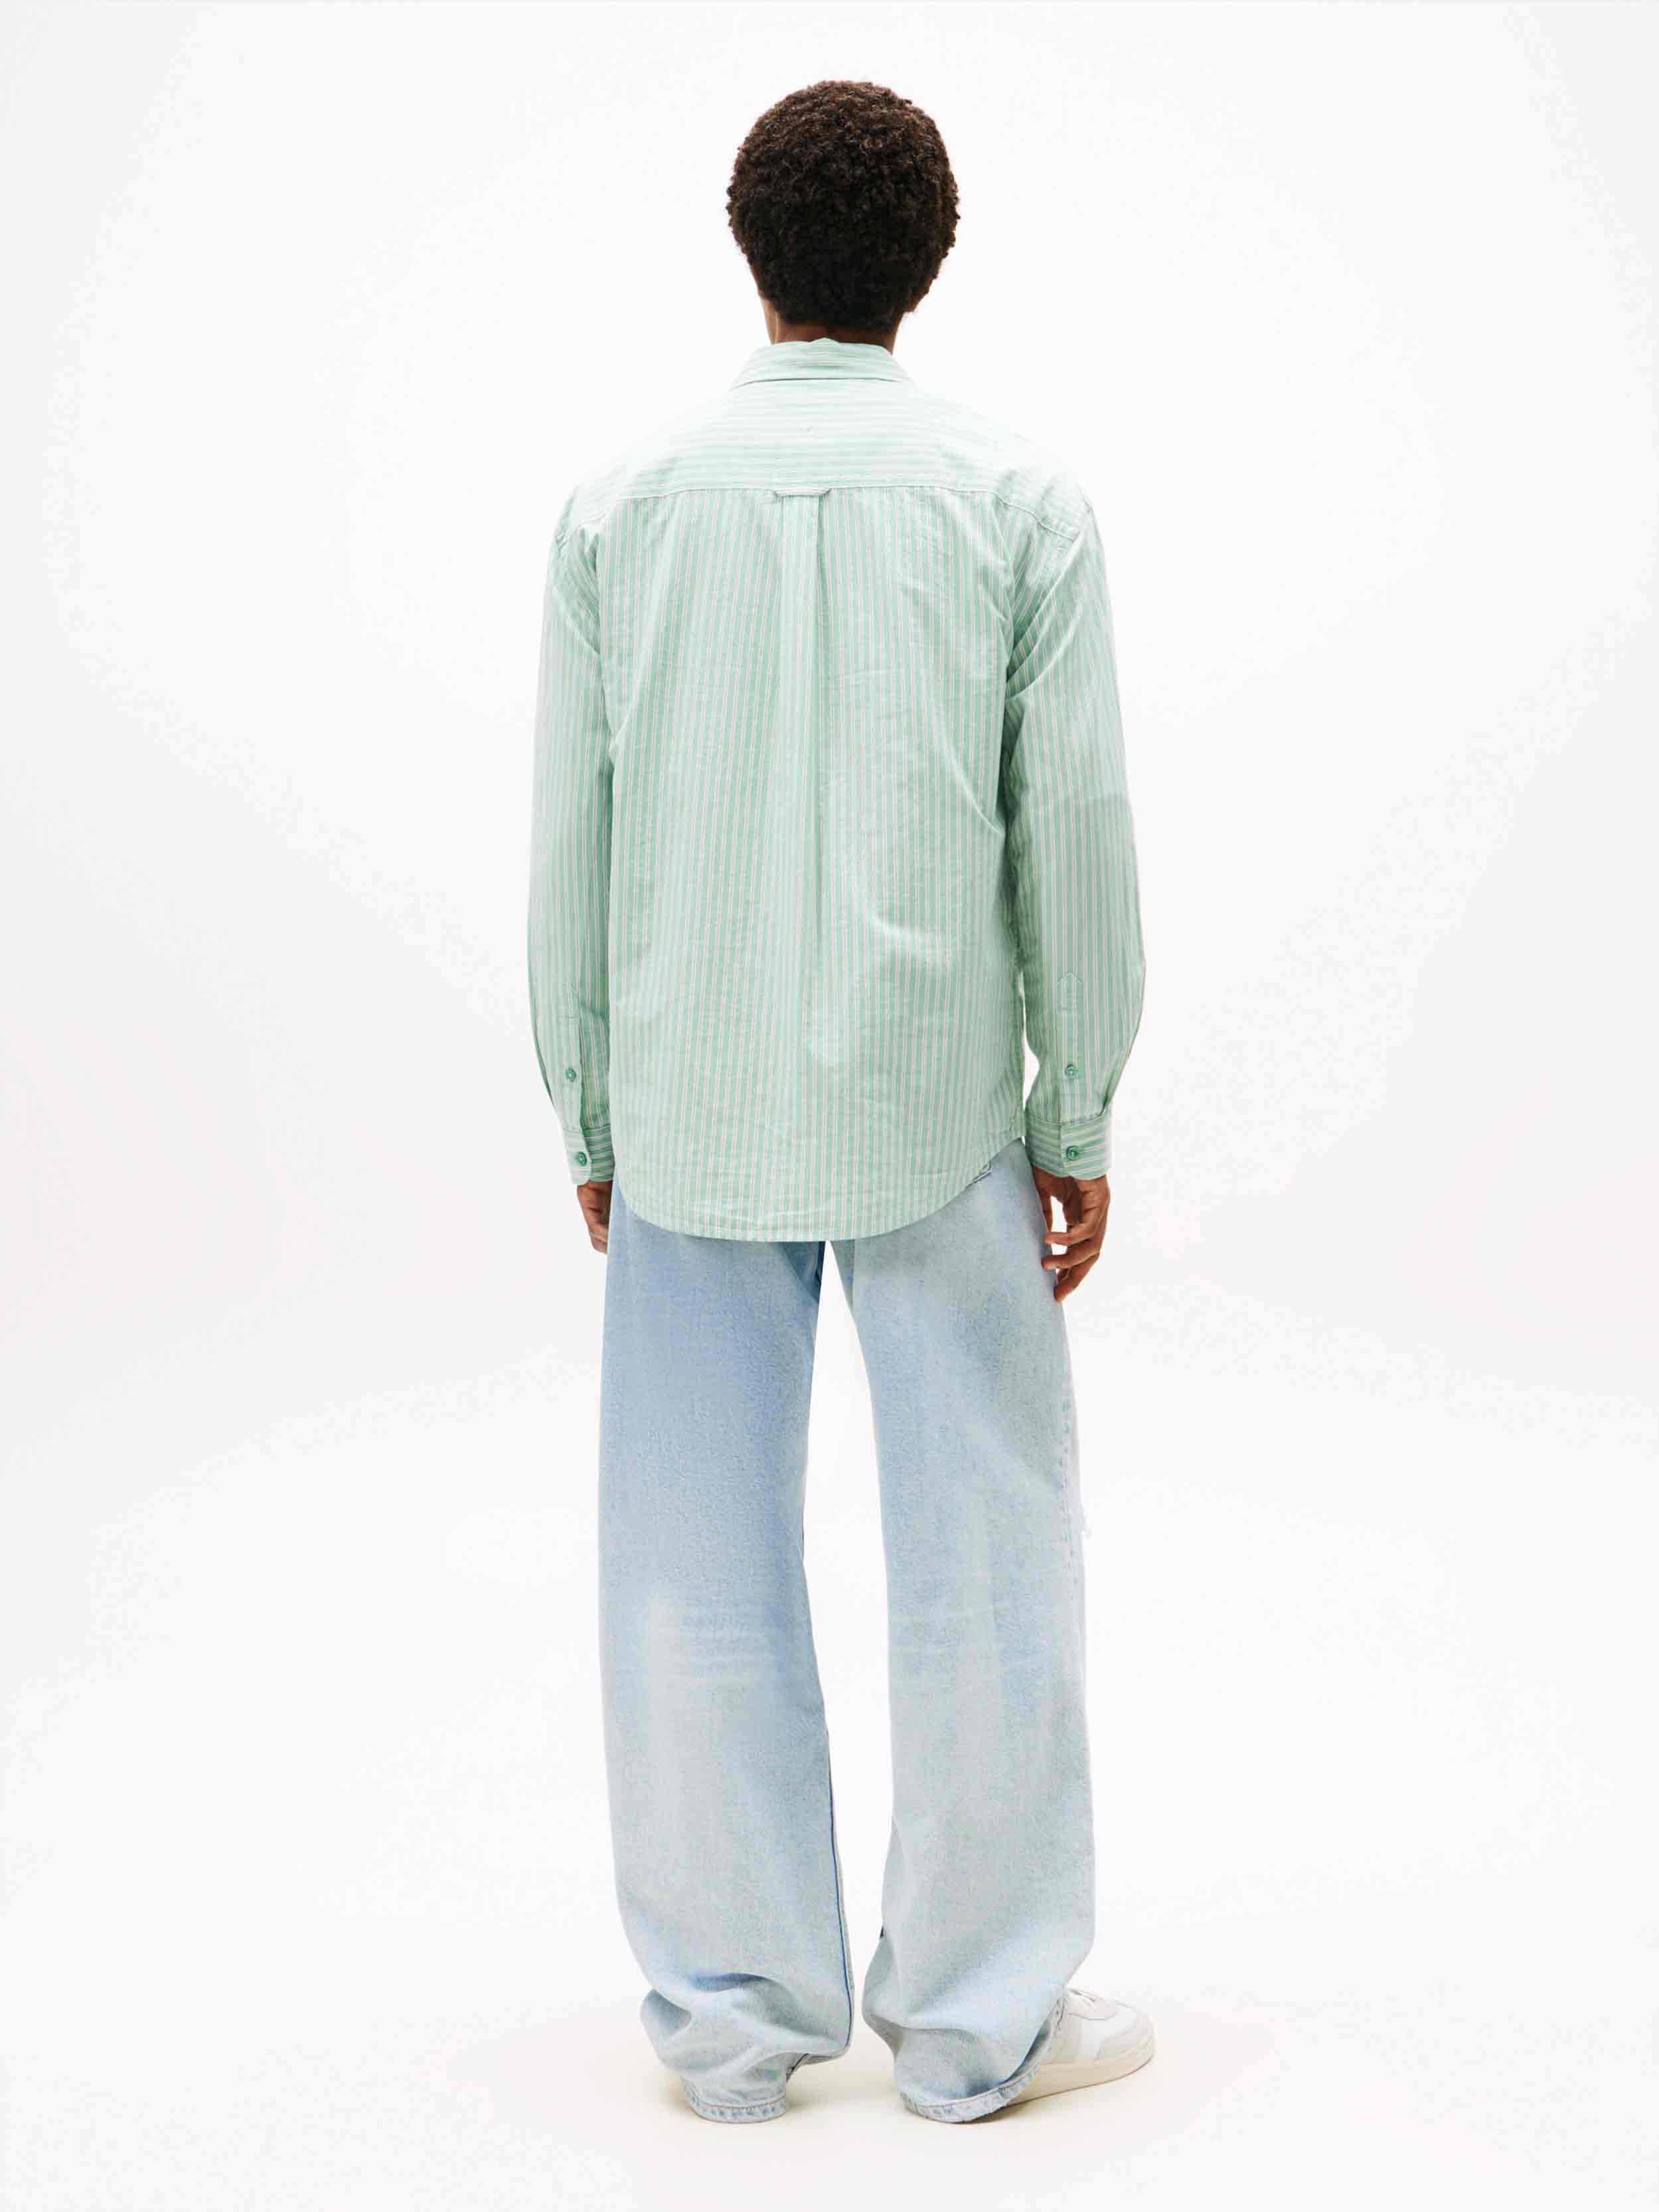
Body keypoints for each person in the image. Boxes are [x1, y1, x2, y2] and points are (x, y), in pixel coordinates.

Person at [528, 78, 1147, 2126]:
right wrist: (1077, 1108)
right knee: (988, 1556)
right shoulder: (1015, 499)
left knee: (685, 1560)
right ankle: (980, 2022)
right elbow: (1071, 829)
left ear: (750, 251)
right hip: (937, 1097)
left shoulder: (621, 504)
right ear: (928, 263)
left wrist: (589, 1105)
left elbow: (572, 836)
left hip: (690, 1098)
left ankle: (727, 2029)